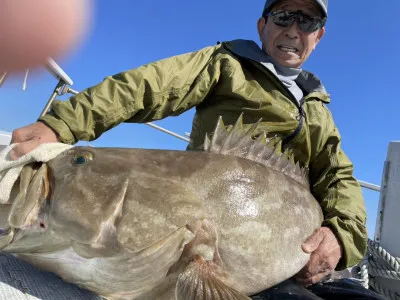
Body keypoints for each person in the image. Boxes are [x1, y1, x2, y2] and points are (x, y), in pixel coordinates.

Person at [10, 0, 374, 298]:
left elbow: (338, 177)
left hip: (299, 255)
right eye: (283, 17)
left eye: (307, 22)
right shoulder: (226, 64)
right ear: (262, 25)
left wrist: (341, 238)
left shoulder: (318, 111)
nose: (293, 30)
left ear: (319, 36)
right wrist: (63, 123)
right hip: (219, 231)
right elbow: (150, 85)